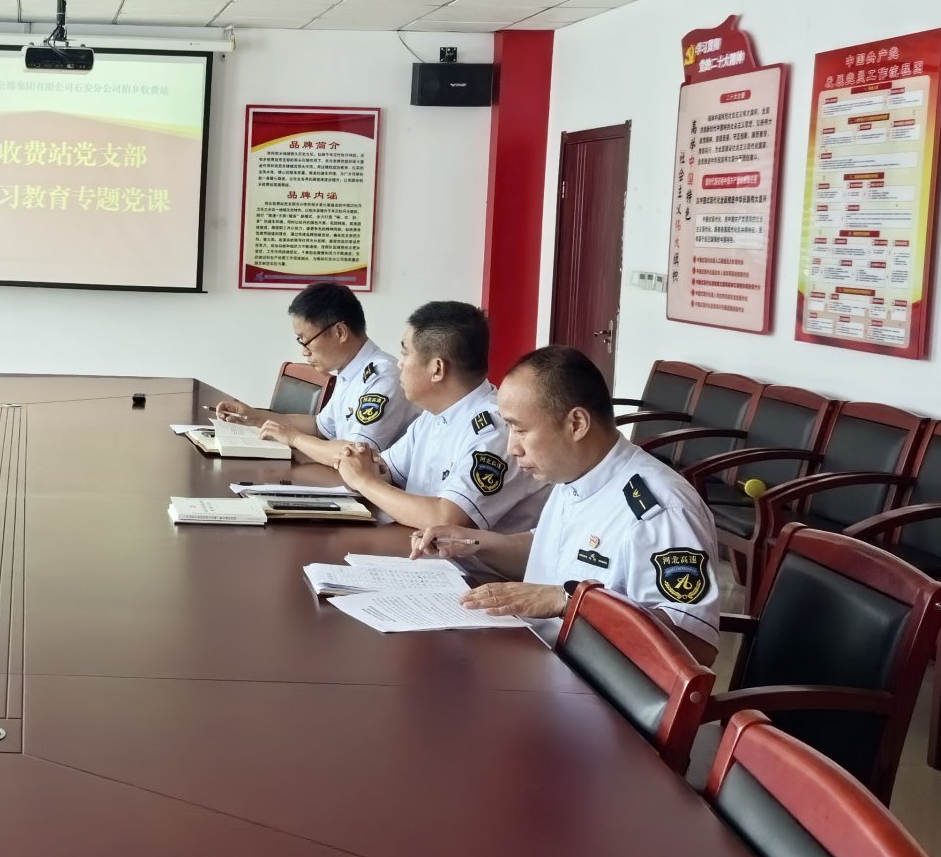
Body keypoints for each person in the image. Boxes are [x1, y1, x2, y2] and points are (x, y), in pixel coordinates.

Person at [414, 345, 722, 662]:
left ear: (576, 423)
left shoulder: (660, 509)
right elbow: (553, 556)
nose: (512, 448)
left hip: (588, 680)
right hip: (535, 652)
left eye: (521, 430)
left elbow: (695, 645)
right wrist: (475, 544)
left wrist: (571, 601)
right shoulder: (574, 473)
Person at [336, 300, 548, 533]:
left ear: (437, 369)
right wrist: (361, 463)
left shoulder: (495, 431)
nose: (400, 363)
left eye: (405, 353)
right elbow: (389, 472)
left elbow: (447, 520)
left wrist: (364, 481)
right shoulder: (434, 414)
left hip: (464, 558)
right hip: (415, 546)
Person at [212, 282, 418, 464]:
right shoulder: (350, 372)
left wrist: (295, 438)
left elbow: (356, 456)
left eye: (306, 340)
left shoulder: (382, 377)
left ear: (340, 332)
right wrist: (253, 417)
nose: (304, 351)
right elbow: (319, 427)